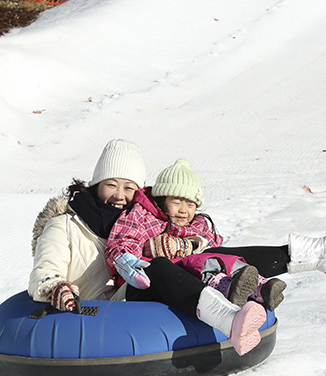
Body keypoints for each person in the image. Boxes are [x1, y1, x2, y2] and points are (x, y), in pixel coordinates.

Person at [29, 139, 267, 355]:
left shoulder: (143, 222)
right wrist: (55, 287)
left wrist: (192, 244)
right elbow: (44, 272)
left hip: (136, 304)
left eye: (129, 187)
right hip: (89, 314)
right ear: (96, 185)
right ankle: (229, 319)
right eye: (111, 185)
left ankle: (261, 289)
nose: (119, 195)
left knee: (205, 257)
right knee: (157, 267)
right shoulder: (65, 225)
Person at [104, 158, 288, 311]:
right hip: (150, 280)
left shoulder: (197, 224)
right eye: (176, 202)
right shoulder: (143, 216)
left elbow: (213, 242)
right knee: (191, 263)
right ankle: (226, 290)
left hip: (185, 273)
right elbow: (124, 241)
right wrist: (131, 260)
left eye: (190, 205)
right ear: (162, 200)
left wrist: (192, 244)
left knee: (218, 254)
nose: (183, 210)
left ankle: (259, 287)